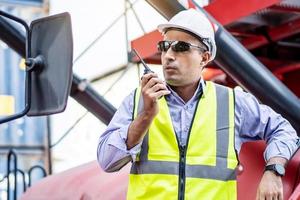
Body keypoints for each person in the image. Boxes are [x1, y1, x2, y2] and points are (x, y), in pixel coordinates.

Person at [97, 9, 299, 200]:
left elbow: (284, 130)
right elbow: (107, 161)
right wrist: (145, 117)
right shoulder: (138, 101)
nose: (168, 55)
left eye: (181, 47)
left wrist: (274, 170)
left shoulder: (232, 103)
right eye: (164, 46)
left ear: (204, 57)